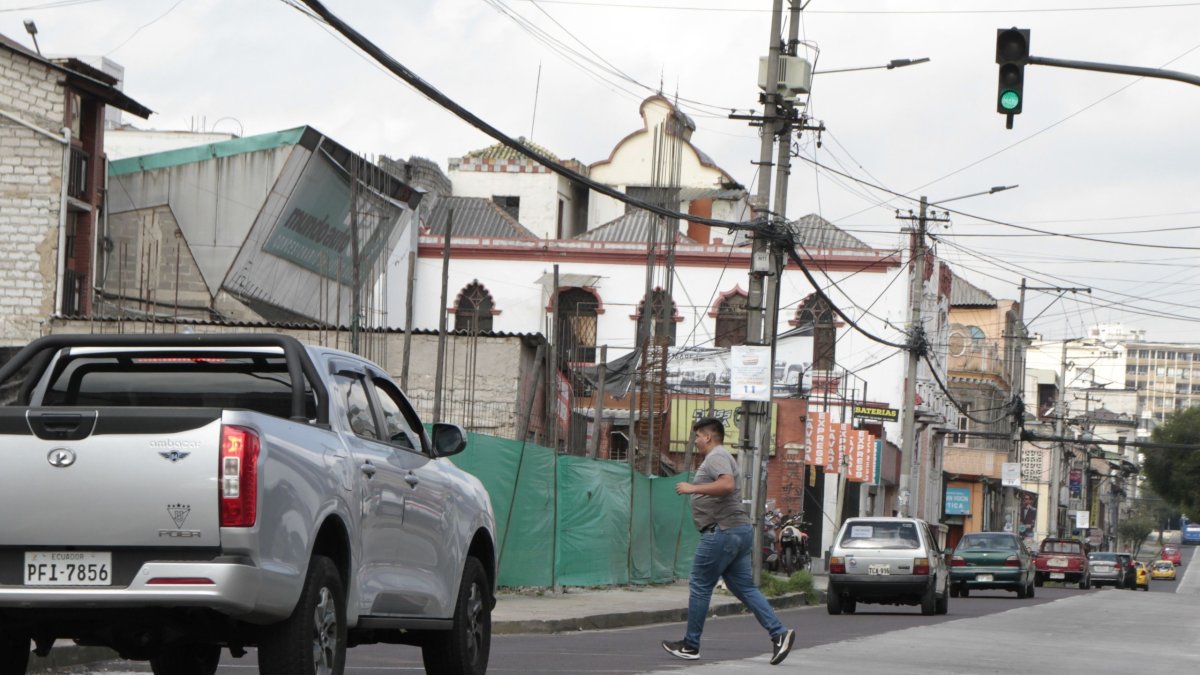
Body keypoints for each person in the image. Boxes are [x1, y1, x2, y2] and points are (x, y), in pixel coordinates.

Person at [661, 417, 795, 666]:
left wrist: (692, 488)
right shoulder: (720, 456)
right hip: (736, 532)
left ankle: (691, 645)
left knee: (701, 584)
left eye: (698, 436)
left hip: (722, 531)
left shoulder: (716, 456)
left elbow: (726, 484)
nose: (697, 440)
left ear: (708, 436)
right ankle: (779, 633)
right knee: (744, 587)